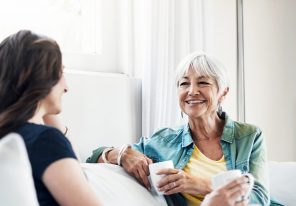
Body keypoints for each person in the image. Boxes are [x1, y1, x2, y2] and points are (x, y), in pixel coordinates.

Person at [87, 52, 270, 206]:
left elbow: (260, 199)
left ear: (223, 92)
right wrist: (123, 154)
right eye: (184, 83)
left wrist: (198, 184)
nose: (192, 91)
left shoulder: (249, 136)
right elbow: (93, 158)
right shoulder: (164, 141)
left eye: (203, 83)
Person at [0, 30, 101, 205]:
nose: (66, 87)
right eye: (61, 72)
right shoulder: (44, 140)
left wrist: (42, 111)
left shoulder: (10, 136)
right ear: (39, 75)